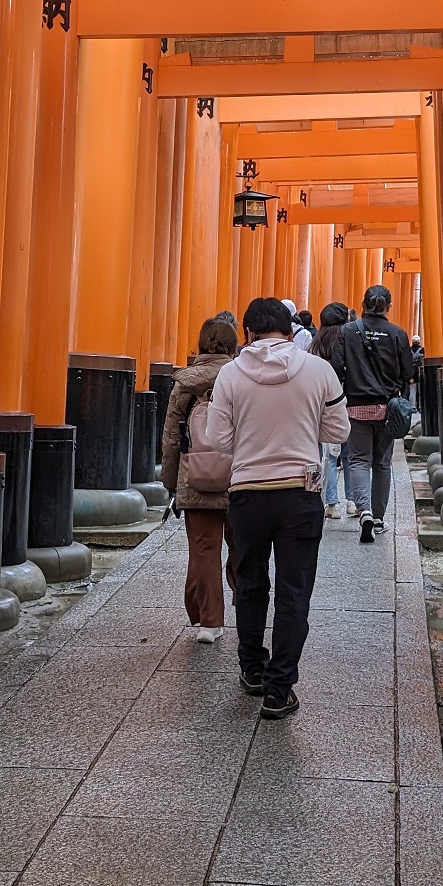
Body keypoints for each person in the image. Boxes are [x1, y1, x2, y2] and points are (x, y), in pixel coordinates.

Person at [208, 295, 349, 718]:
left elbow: (216, 440)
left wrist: (249, 441)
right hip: (300, 494)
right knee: (293, 592)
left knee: (249, 584)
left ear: (248, 334)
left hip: (248, 493)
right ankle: (278, 687)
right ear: (290, 330)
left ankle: (251, 668)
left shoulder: (230, 376)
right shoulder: (318, 370)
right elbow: (339, 430)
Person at [160, 316, 238, 642]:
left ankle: (210, 621)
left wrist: (169, 482)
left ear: (201, 343)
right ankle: (248, 604)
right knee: (244, 548)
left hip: (196, 475)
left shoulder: (184, 383)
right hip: (238, 475)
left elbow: (171, 440)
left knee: (204, 550)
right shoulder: (243, 378)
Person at [331, 283, 416, 544]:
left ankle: (363, 510)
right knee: (382, 463)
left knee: (358, 460)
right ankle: (378, 518)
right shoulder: (398, 334)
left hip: (356, 405)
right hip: (388, 407)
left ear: (362, 303)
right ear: (388, 306)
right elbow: (408, 373)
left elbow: (336, 367)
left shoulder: (347, 331)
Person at [311, 301, 351, 516]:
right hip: (343, 402)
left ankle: (325, 500)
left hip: (316, 404)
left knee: (320, 455)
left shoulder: (314, 345)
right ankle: (351, 501)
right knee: (347, 455)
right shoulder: (347, 343)